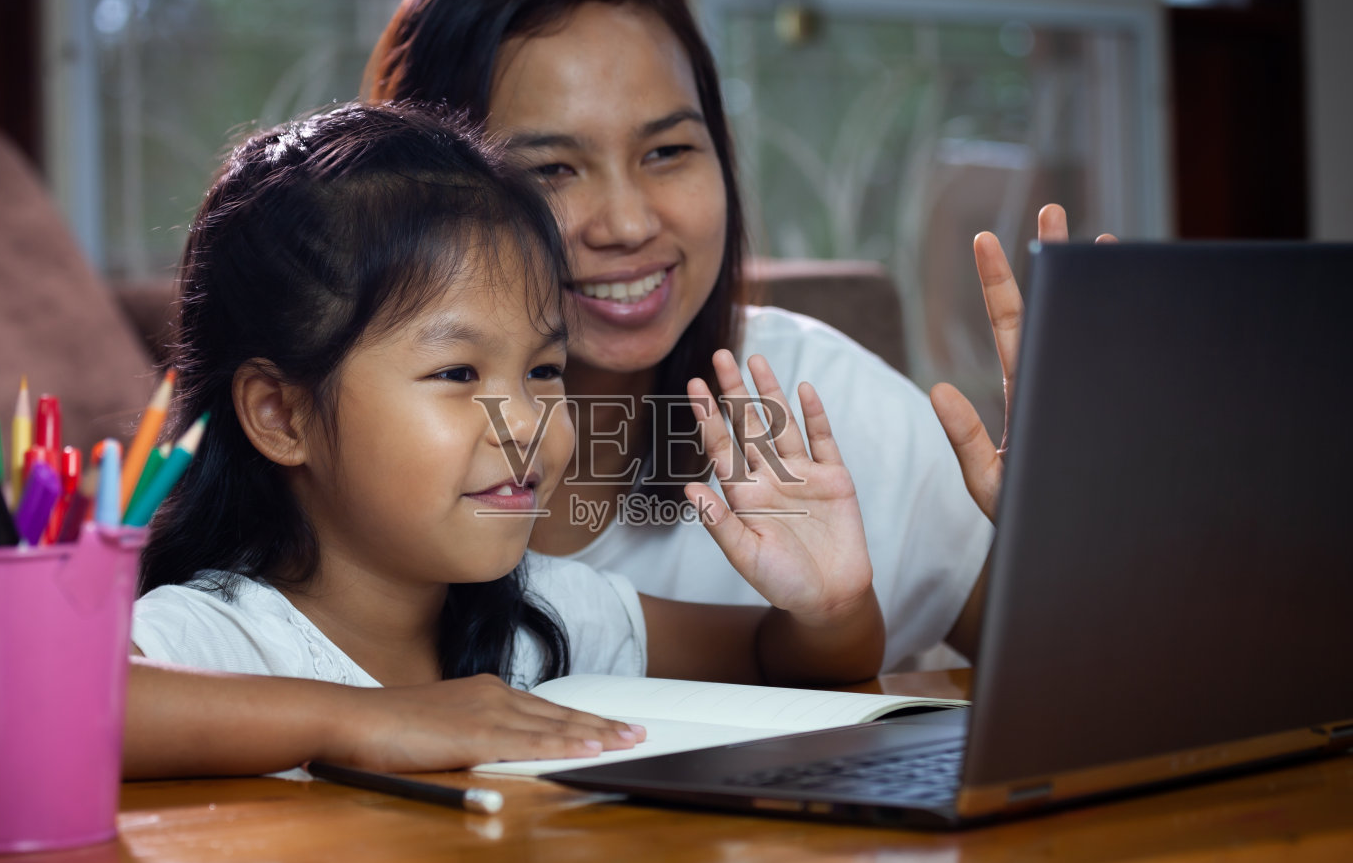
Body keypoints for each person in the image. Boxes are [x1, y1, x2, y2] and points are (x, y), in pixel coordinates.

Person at [122, 102, 884, 779]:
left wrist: (831, 608)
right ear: (282, 415)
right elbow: (46, 714)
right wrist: (365, 720)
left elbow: (778, 657)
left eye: (545, 370)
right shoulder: (214, 635)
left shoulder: (548, 614)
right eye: (458, 371)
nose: (524, 423)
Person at [363, 0, 1053, 670]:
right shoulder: (349, 446)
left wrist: (1080, 532)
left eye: (668, 152)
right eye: (553, 169)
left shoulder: (826, 402)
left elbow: (1090, 672)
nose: (628, 224)